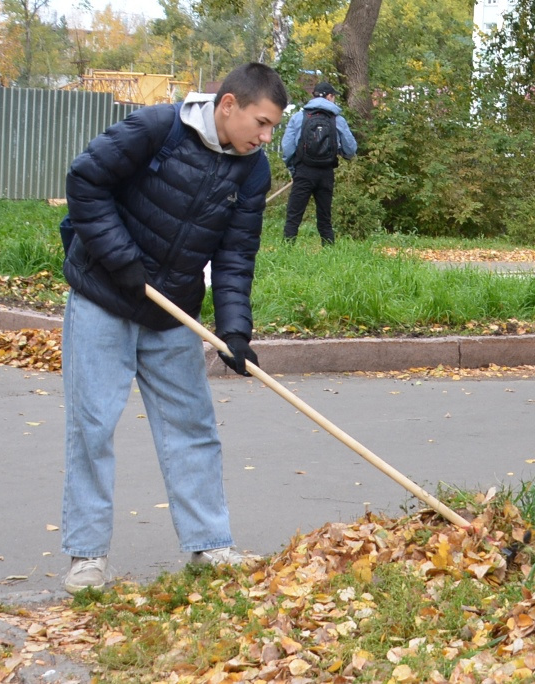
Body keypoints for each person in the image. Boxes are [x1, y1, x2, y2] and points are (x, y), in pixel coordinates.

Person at [59, 63, 288, 594]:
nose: (266, 136)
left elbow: (235, 256)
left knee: (192, 427)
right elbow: (85, 180)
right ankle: (87, 558)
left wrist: (235, 332)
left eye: (272, 127)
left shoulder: (252, 171)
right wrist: (120, 260)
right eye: (261, 122)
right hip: (102, 296)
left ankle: (210, 545)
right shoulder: (156, 127)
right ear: (227, 105)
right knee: (92, 428)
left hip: (171, 311)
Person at [281, 81, 357, 244]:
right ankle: (328, 252)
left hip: (303, 170)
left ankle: (286, 250)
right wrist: (344, 155)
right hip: (326, 172)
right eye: (333, 96)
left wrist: (293, 168)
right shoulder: (337, 120)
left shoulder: (299, 117)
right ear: (329, 96)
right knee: (325, 217)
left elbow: (287, 147)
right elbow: (351, 148)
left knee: (293, 216)